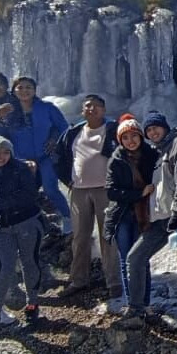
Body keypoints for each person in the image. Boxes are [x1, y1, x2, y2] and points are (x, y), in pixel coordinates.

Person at [124, 112, 177, 327]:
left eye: (156, 128)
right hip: (162, 219)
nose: (153, 132)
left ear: (165, 127)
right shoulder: (157, 153)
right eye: (149, 130)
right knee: (135, 257)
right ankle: (136, 310)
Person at [54, 94, 121, 298]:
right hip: (80, 191)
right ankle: (78, 279)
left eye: (97, 106)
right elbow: (59, 158)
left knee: (108, 236)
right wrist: (69, 181)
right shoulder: (73, 132)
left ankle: (114, 282)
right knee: (80, 236)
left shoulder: (113, 130)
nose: (92, 109)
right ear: (82, 110)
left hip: (106, 190)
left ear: (104, 110)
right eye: (88, 106)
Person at [0, 136, 45, 330]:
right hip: (0, 227)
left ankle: (32, 307)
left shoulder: (22, 168)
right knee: (4, 268)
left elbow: (29, 195)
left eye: (5, 152)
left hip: (27, 222)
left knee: (30, 263)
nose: (1, 156)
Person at [104, 114, 158, 308]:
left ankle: (145, 303)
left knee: (141, 260)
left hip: (145, 215)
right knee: (127, 260)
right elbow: (111, 191)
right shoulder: (116, 160)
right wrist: (139, 193)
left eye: (134, 136)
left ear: (140, 136)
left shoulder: (152, 156)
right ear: (120, 140)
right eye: (125, 138)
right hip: (122, 216)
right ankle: (133, 305)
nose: (130, 141)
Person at [8, 77, 71, 235]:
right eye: (20, 87)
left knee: (51, 189)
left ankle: (68, 219)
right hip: (20, 160)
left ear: (35, 90)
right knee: (25, 193)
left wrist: (54, 139)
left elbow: (63, 127)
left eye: (28, 87)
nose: (24, 91)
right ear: (13, 91)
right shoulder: (8, 111)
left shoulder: (47, 107)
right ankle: (31, 224)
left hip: (46, 156)